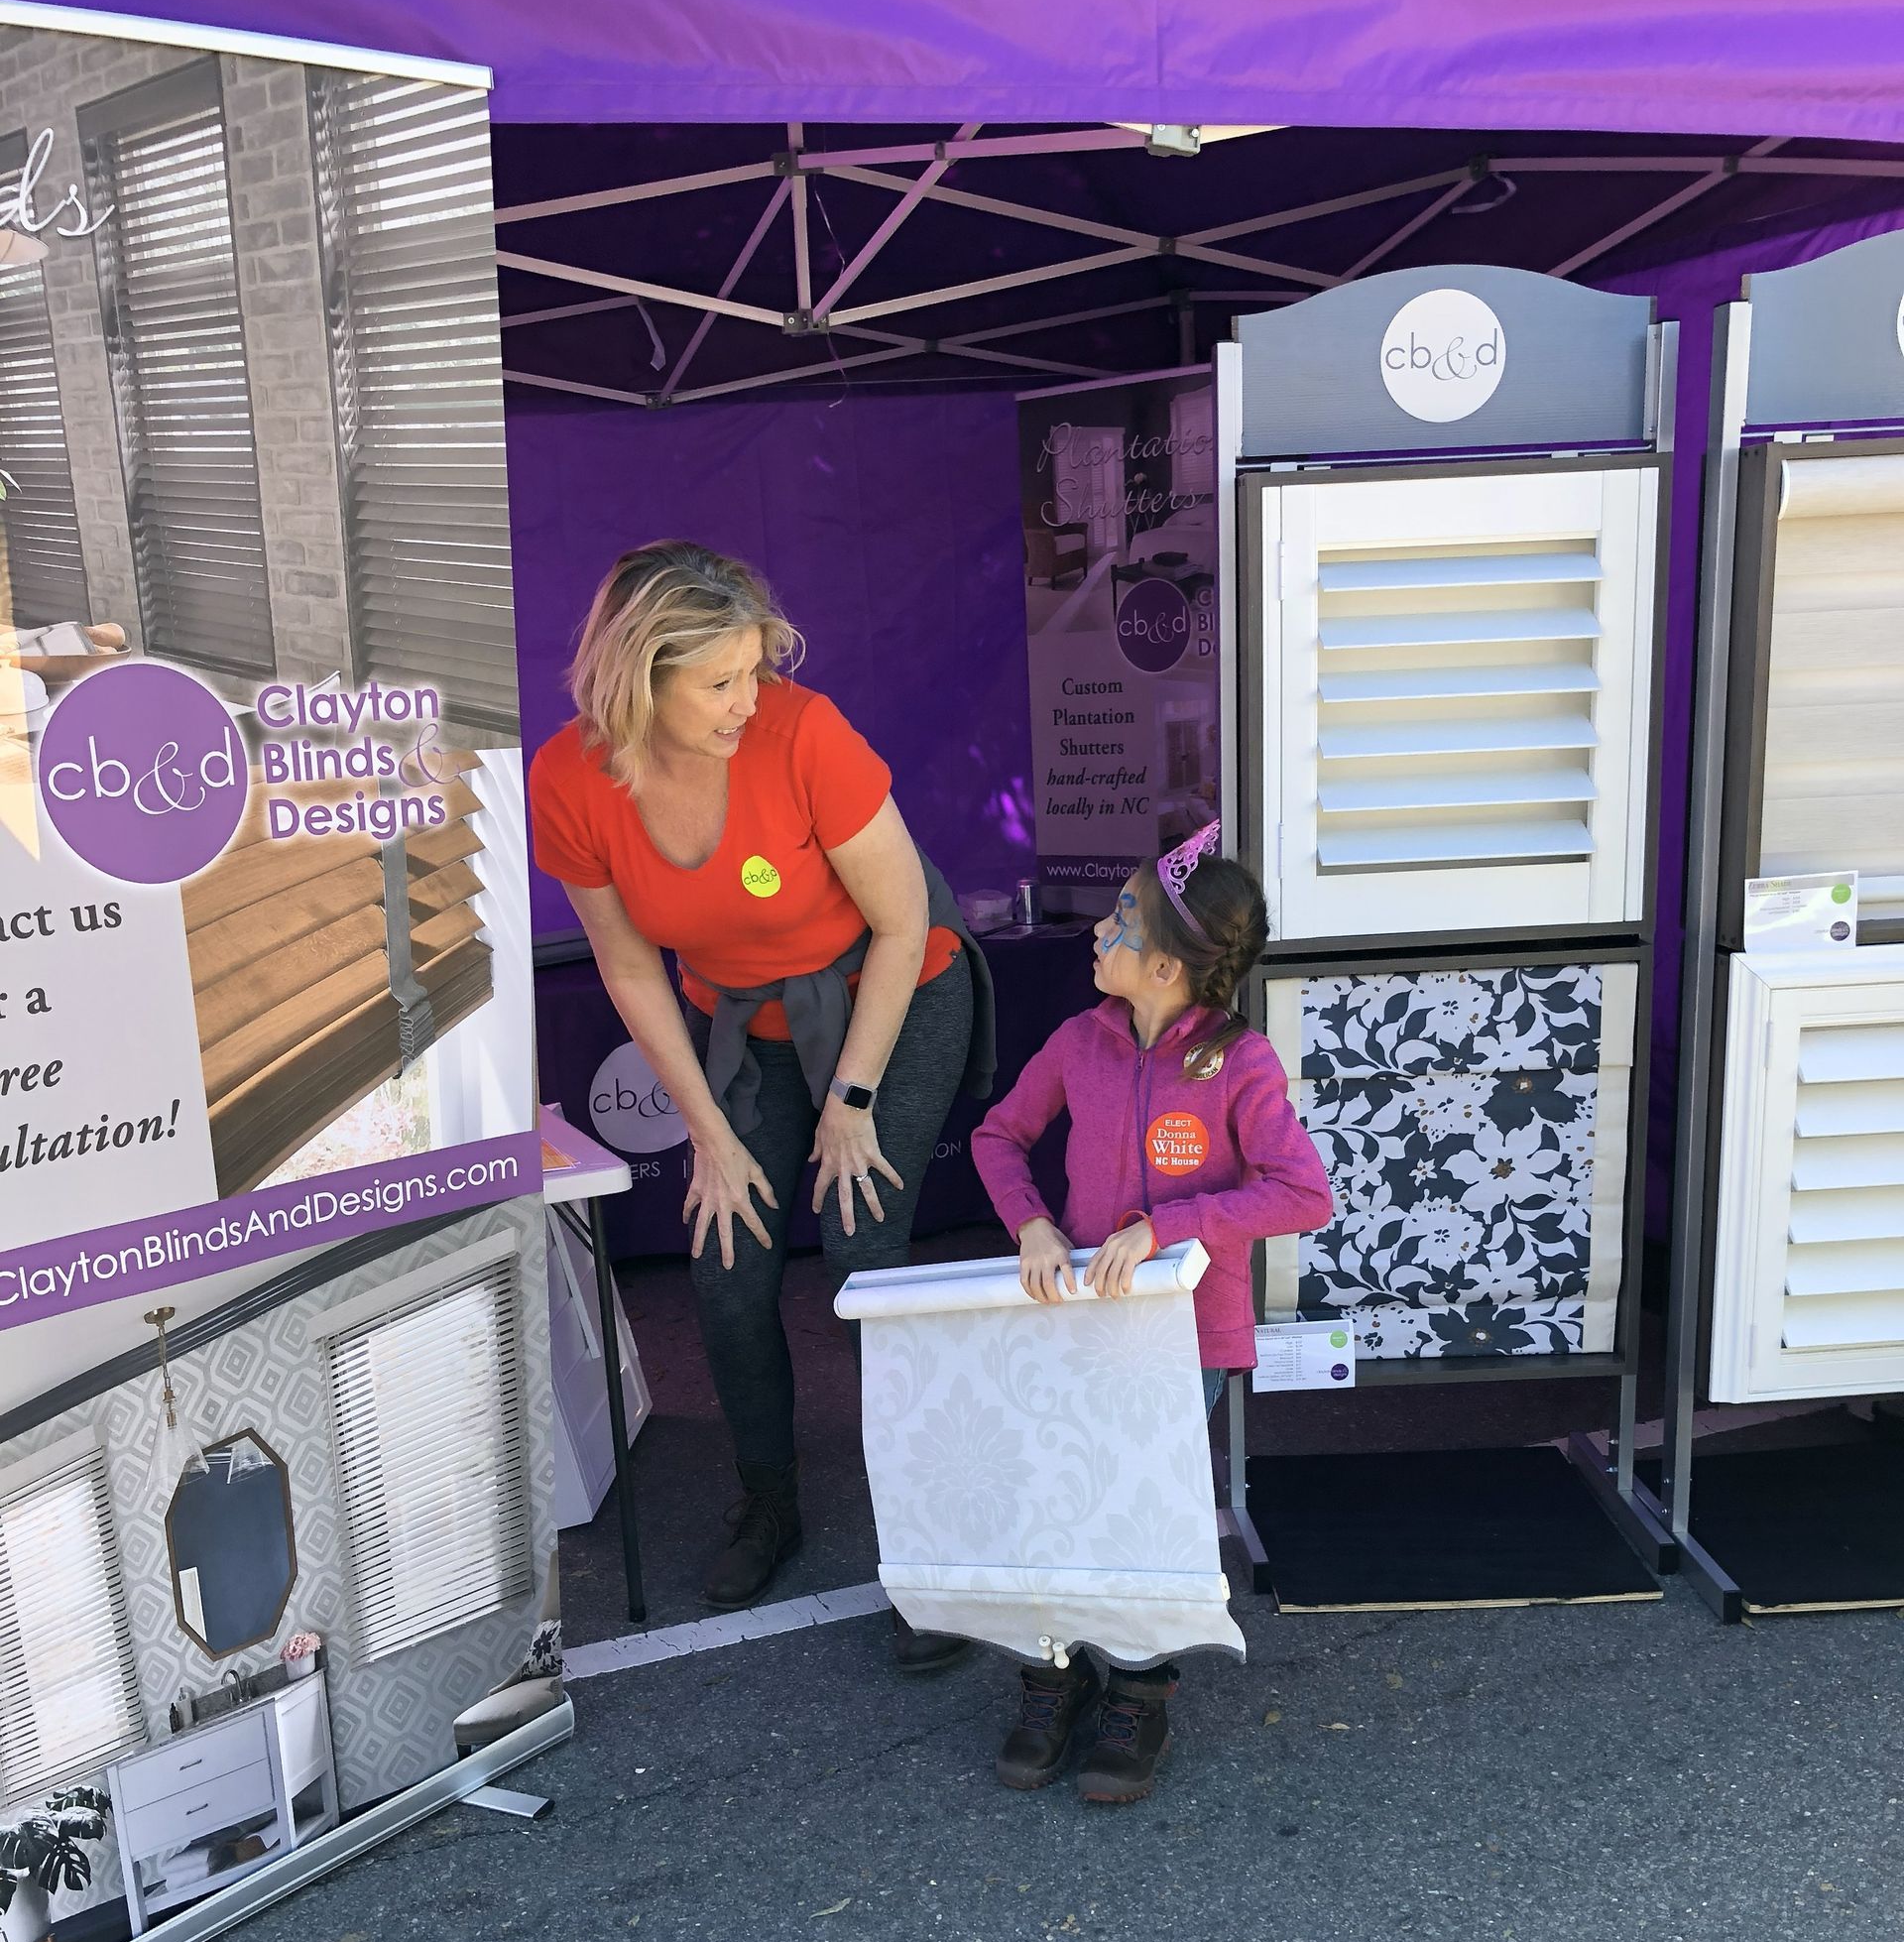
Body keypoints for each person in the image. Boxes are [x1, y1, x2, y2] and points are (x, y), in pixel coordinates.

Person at [529, 542, 993, 1668]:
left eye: (754, 670)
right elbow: (632, 967)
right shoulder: (570, 779)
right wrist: (710, 1134)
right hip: (741, 1023)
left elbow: (898, 927)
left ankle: (936, 1537)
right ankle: (768, 1496)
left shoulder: (805, 732)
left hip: (892, 993)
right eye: (720, 682)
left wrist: (853, 1100)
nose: (750, 700)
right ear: (639, 678)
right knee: (726, 1263)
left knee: (862, 1251)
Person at [970, 823, 1333, 1803]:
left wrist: (1174, 1223)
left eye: (1120, 916)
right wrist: (1033, 1225)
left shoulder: (1242, 1064)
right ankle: (1055, 1671)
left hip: (1183, 1337)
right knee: (1053, 1493)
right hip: (1074, 1324)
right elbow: (999, 1137)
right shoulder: (1077, 1042)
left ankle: (1139, 1686)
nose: (1099, 927)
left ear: (1165, 965)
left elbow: (1304, 1192)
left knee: (1139, 1510)